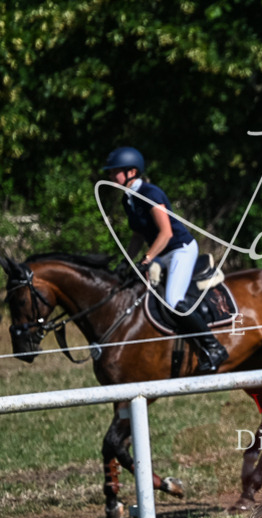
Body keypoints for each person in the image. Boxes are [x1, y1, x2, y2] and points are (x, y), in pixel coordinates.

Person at [102, 146, 228, 374]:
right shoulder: (128, 199)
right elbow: (139, 235)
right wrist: (127, 260)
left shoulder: (150, 193)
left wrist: (147, 258)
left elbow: (166, 233)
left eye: (114, 172)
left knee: (173, 300)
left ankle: (214, 347)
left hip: (180, 249)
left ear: (131, 172)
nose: (110, 176)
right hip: (162, 252)